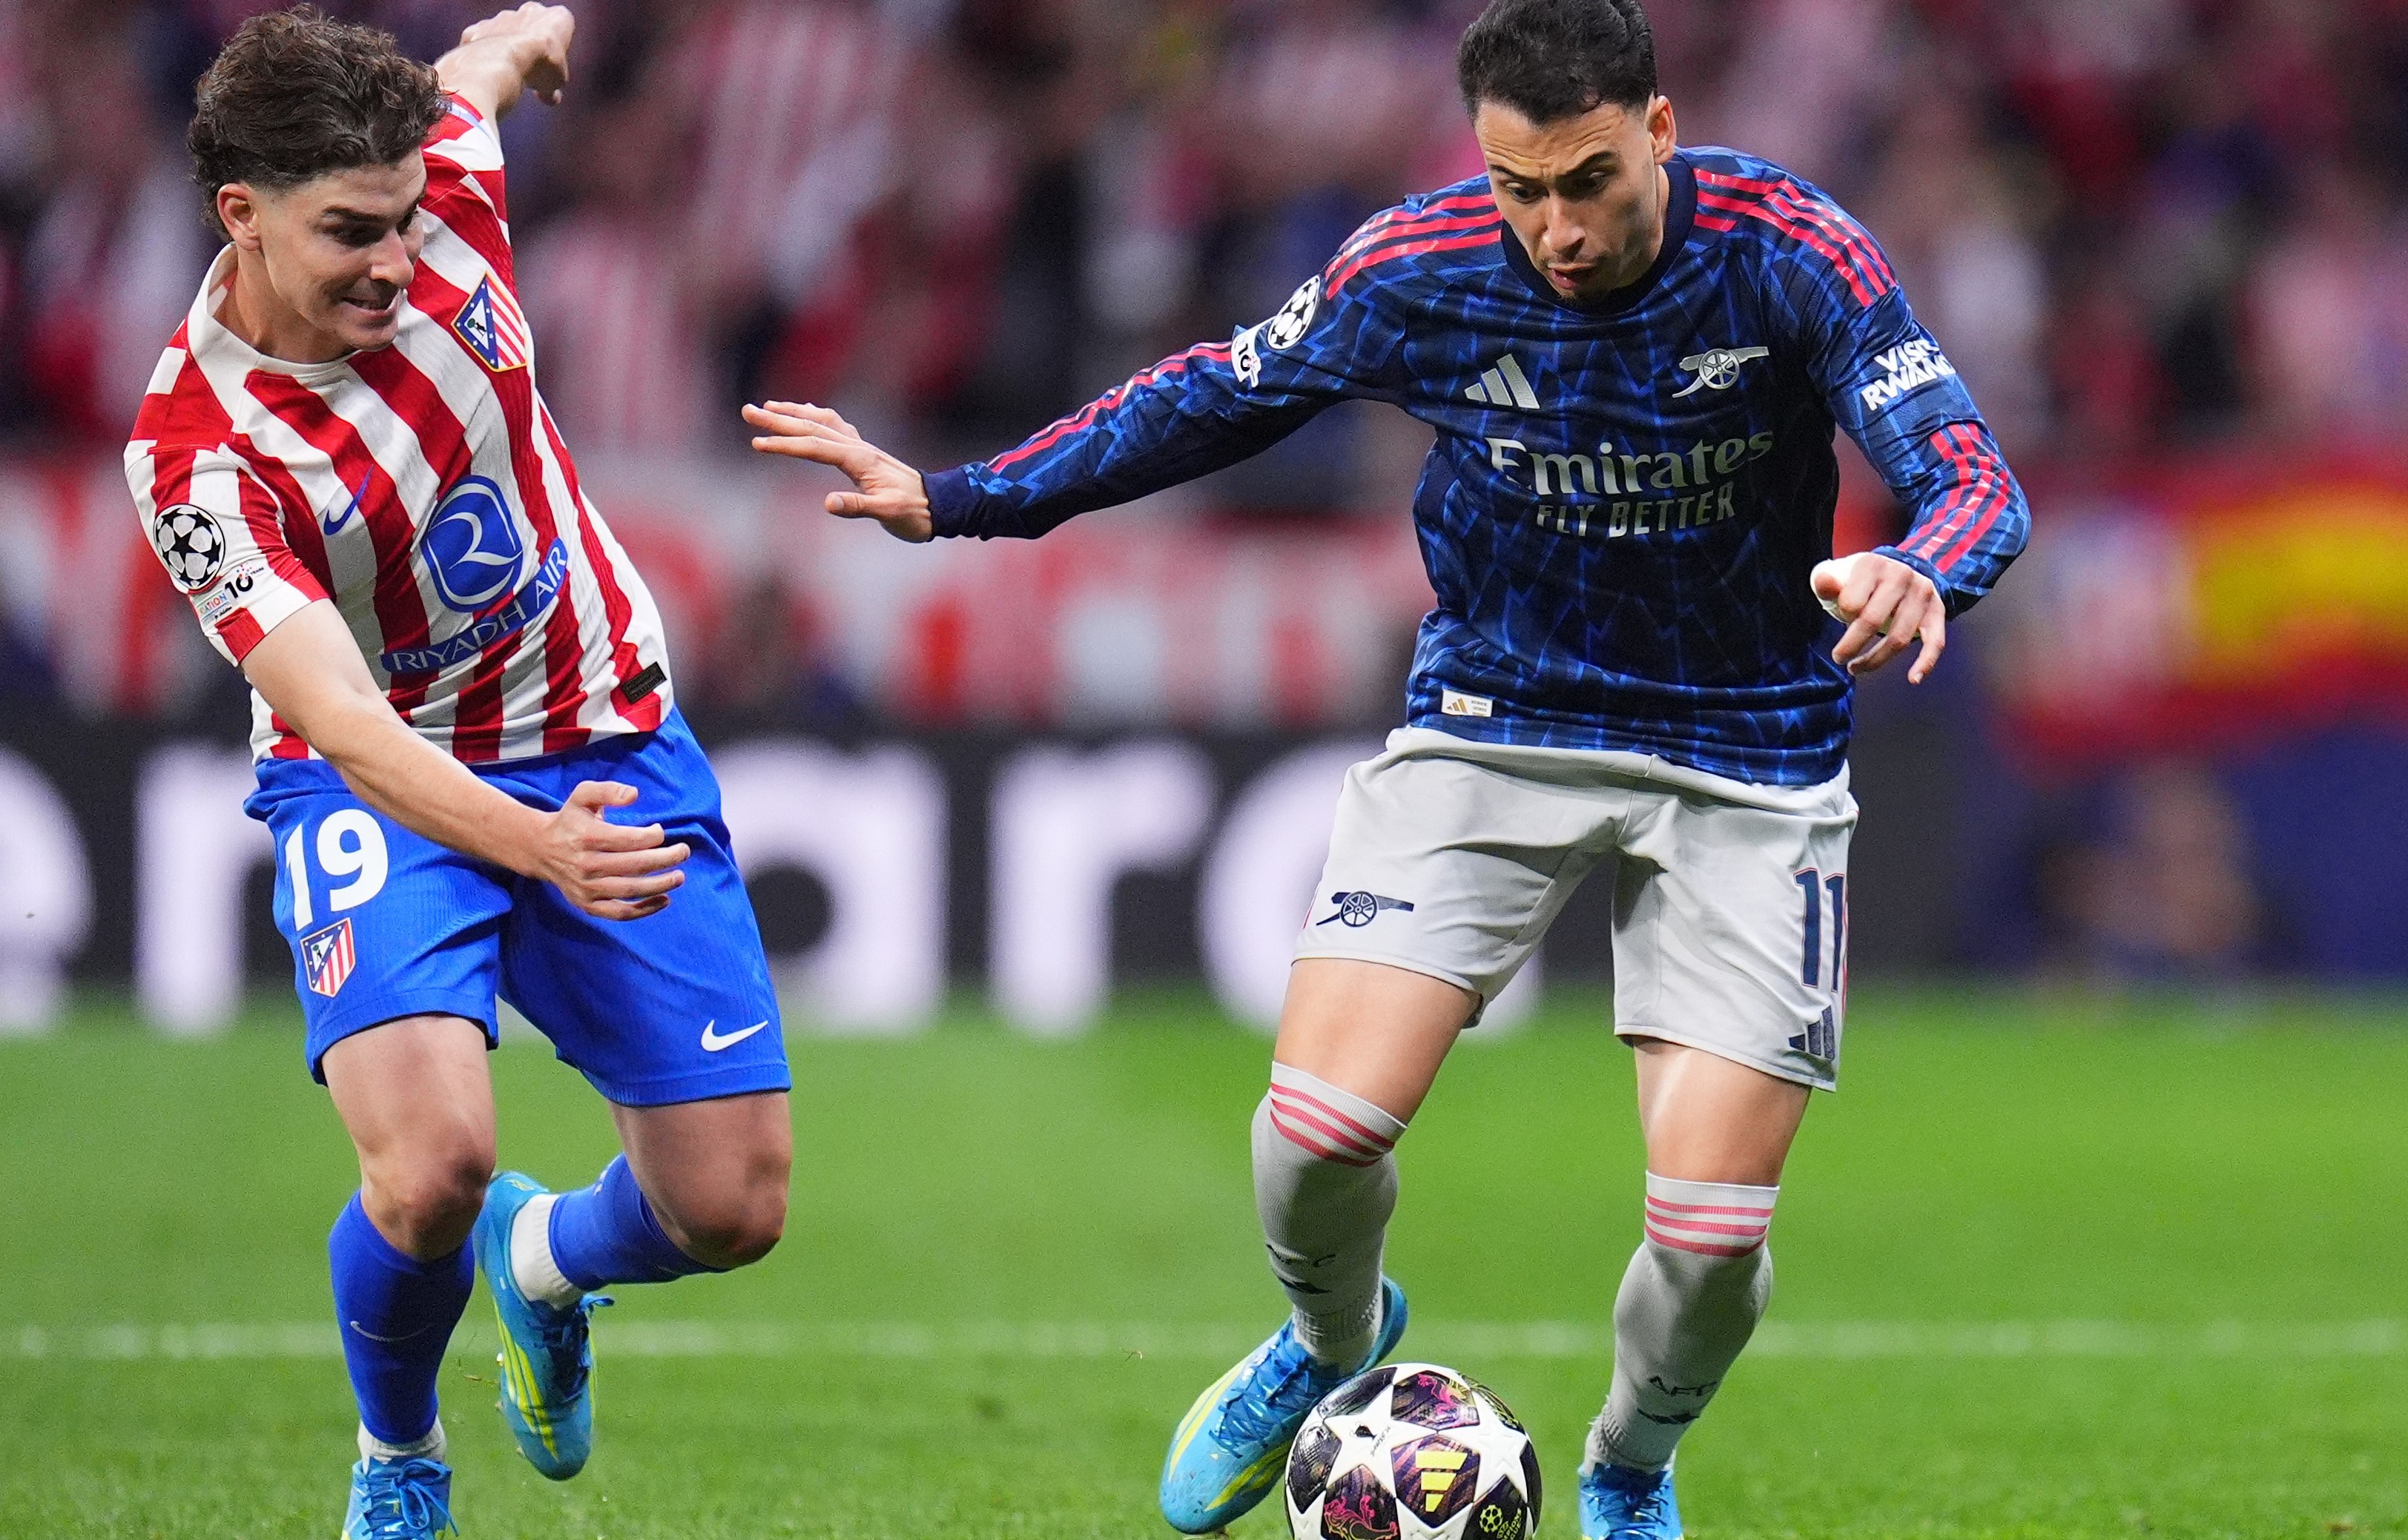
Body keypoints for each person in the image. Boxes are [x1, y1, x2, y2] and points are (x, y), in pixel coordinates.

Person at [746, 2, 2028, 1536]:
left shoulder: (1789, 250)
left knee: (1706, 1240)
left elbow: (1969, 470)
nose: (1554, 227)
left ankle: (1626, 1472)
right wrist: (956, 497)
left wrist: (1924, 569)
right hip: (1496, 718)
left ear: (1661, 132)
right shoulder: (1416, 269)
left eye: (1591, 181)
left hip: (1745, 750)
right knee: (1313, 1137)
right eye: (1518, 187)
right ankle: (1327, 1344)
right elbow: (1211, 396)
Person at [125, 9, 790, 1537]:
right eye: (349, 233)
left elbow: (470, 83)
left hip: (601, 722)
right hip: (378, 775)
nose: (392, 260)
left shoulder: (443, 190)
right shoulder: (194, 458)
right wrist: (539, 848)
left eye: (406, 219)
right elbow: (347, 727)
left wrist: (522, 39)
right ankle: (399, 1457)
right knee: (429, 1168)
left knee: (731, 1209)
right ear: (243, 215)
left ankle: (545, 1259)